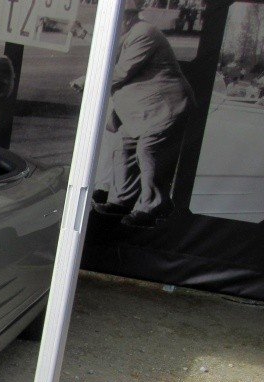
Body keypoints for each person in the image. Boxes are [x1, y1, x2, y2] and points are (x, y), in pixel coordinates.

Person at [94, 0, 195, 228]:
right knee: (124, 147)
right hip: (142, 109)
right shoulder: (126, 34)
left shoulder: (144, 33)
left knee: (148, 150)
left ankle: (152, 206)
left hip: (166, 108)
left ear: (127, 16)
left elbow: (122, 71)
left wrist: (87, 80)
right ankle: (122, 200)